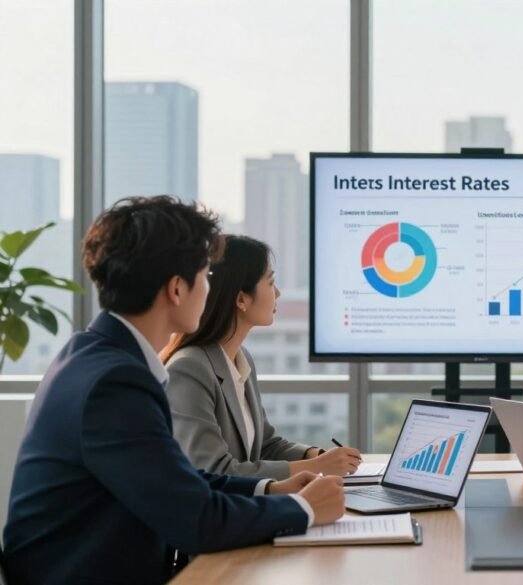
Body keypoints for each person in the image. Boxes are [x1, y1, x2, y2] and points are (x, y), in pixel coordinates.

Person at [3, 197, 347, 585]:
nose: (209, 288)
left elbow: (177, 480)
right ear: (177, 289)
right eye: (205, 276)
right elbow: (197, 520)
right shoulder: (114, 384)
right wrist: (303, 509)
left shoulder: (95, 354)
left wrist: (271, 488)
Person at [162, 235, 361, 480]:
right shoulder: (189, 368)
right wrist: (319, 466)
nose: (277, 293)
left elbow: (266, 445)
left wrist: (316, 455)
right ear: (241, 299)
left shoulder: (240, 359)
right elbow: (215, 471)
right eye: (270, 282)